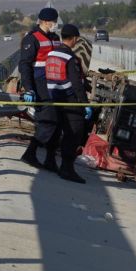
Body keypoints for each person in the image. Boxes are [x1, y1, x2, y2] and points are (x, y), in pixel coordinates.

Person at [45, 24, 90, 184]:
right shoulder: (70, 57)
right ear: (75, 38)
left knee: (61, 132)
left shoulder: (51, 53)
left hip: (54, 97)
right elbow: (77, 83)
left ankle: (51, 162)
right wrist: (85, 104)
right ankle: (67, 168)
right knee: (74, 133)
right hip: (69, 100)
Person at [19, 7, 62, 170]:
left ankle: (50, 160)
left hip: (56, 86)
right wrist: (29, 89)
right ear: (44, 21)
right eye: (53, 22)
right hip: (40, 85)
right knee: (48, 120)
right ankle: (30, 153)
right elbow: (24, 65)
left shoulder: (55, 38)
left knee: (57, 123)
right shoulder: (32, 39)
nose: (55, 24)